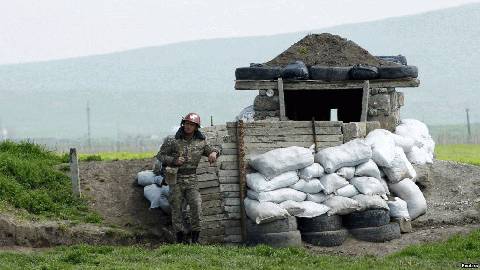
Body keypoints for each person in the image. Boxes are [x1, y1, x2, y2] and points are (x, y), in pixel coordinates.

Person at [156, 112, 220, 244]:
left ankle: (195, 238)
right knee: (176, 208)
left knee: (196, 206)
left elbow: (212, 149)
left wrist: (214, 153)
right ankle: (180, 238)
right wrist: (174, 160)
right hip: (176, 178)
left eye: (191, 124)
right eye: (186, 123)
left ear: (196, 127)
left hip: (191, 178)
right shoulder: (172, 140)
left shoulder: (201, 141)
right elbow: (160, 156)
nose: (188, 127)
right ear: (183, 124)